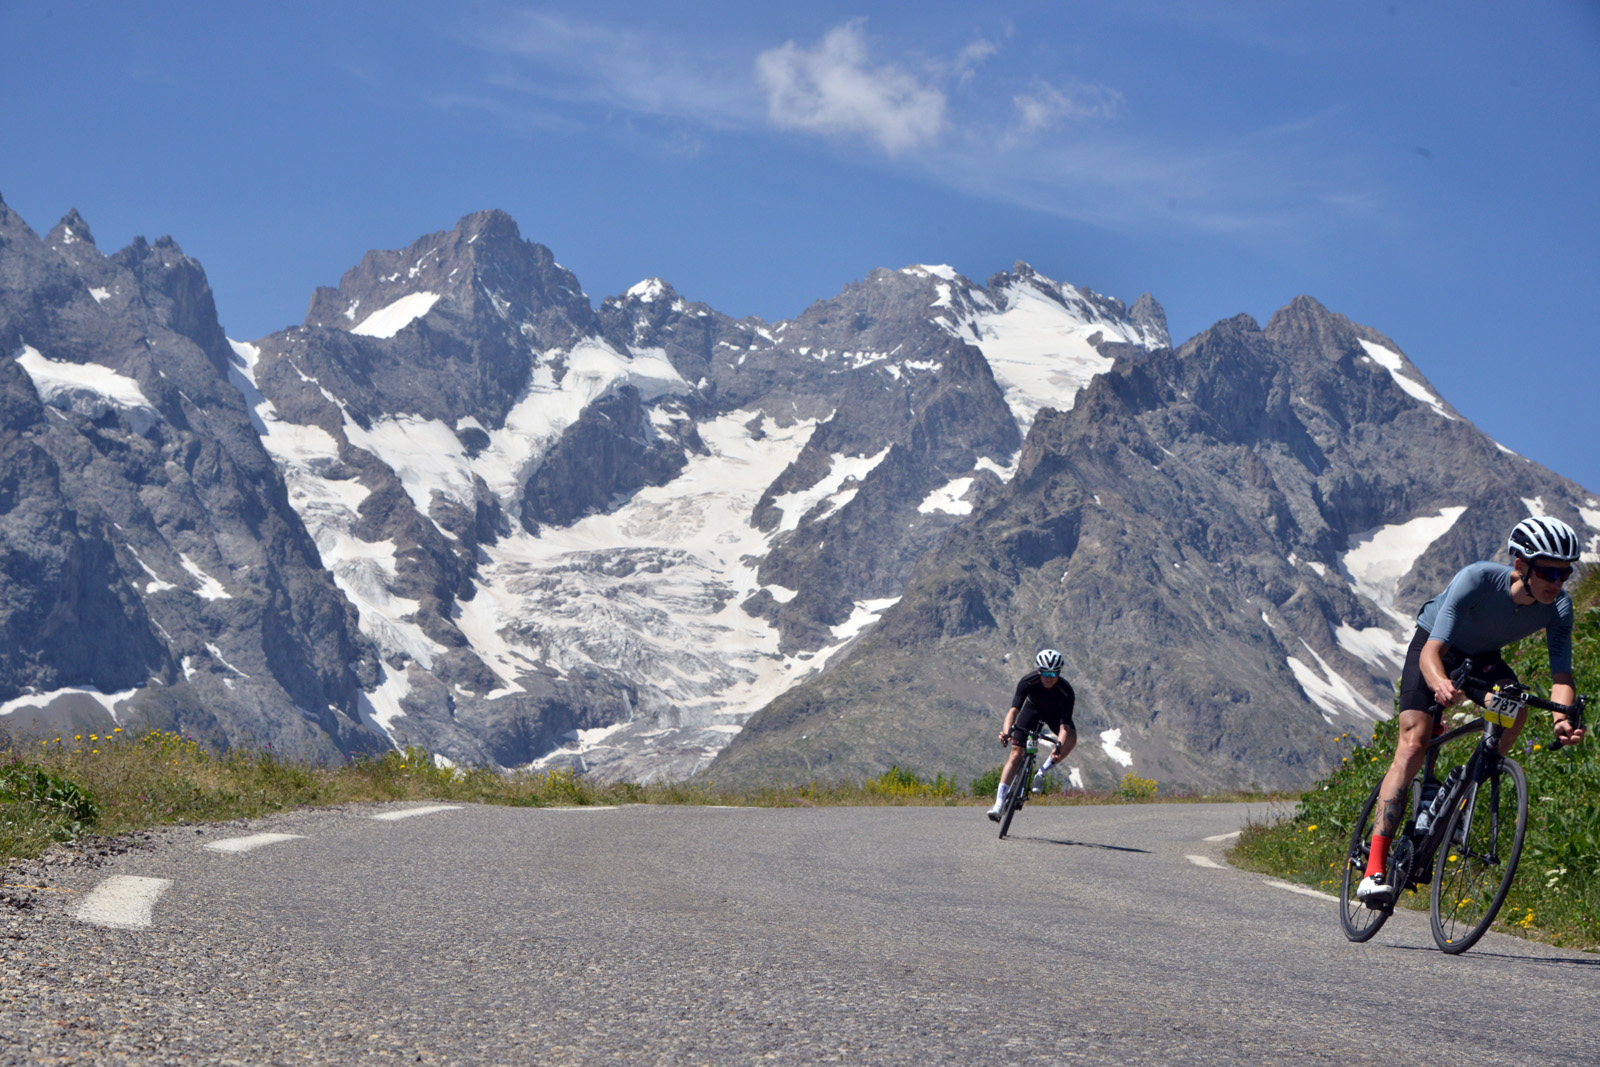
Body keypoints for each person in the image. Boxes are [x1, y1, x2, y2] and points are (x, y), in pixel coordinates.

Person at [1356, 516, 1587, 905]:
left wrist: (1561, 719)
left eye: (1565, 573)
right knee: (1413, 744)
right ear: (1521, 566)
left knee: (1515, 708)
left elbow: (1561, 674)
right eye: (1549, 572)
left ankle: (1466, 789)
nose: (1557, 582)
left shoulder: (1559, 607)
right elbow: (1432, 651)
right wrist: (1439, 683)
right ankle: (1373, 868)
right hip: (1435, 647)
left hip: (1482, 659)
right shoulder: (1477, 580)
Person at [986, 648, 1079, 820]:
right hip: (1032, 711)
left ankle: (1041, 773)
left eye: (1053, 673)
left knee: (1071, 740)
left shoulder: (1066, 691)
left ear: (1059, 673)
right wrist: (1006, 732)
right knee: (1015, 754)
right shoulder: (1027, 681)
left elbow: (1064, 727)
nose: (1049, 678)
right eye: (1045, 673)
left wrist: (1059, 746)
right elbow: (1013, 711)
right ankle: (998, 804)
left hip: (1055, 715)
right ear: (1038, 671)